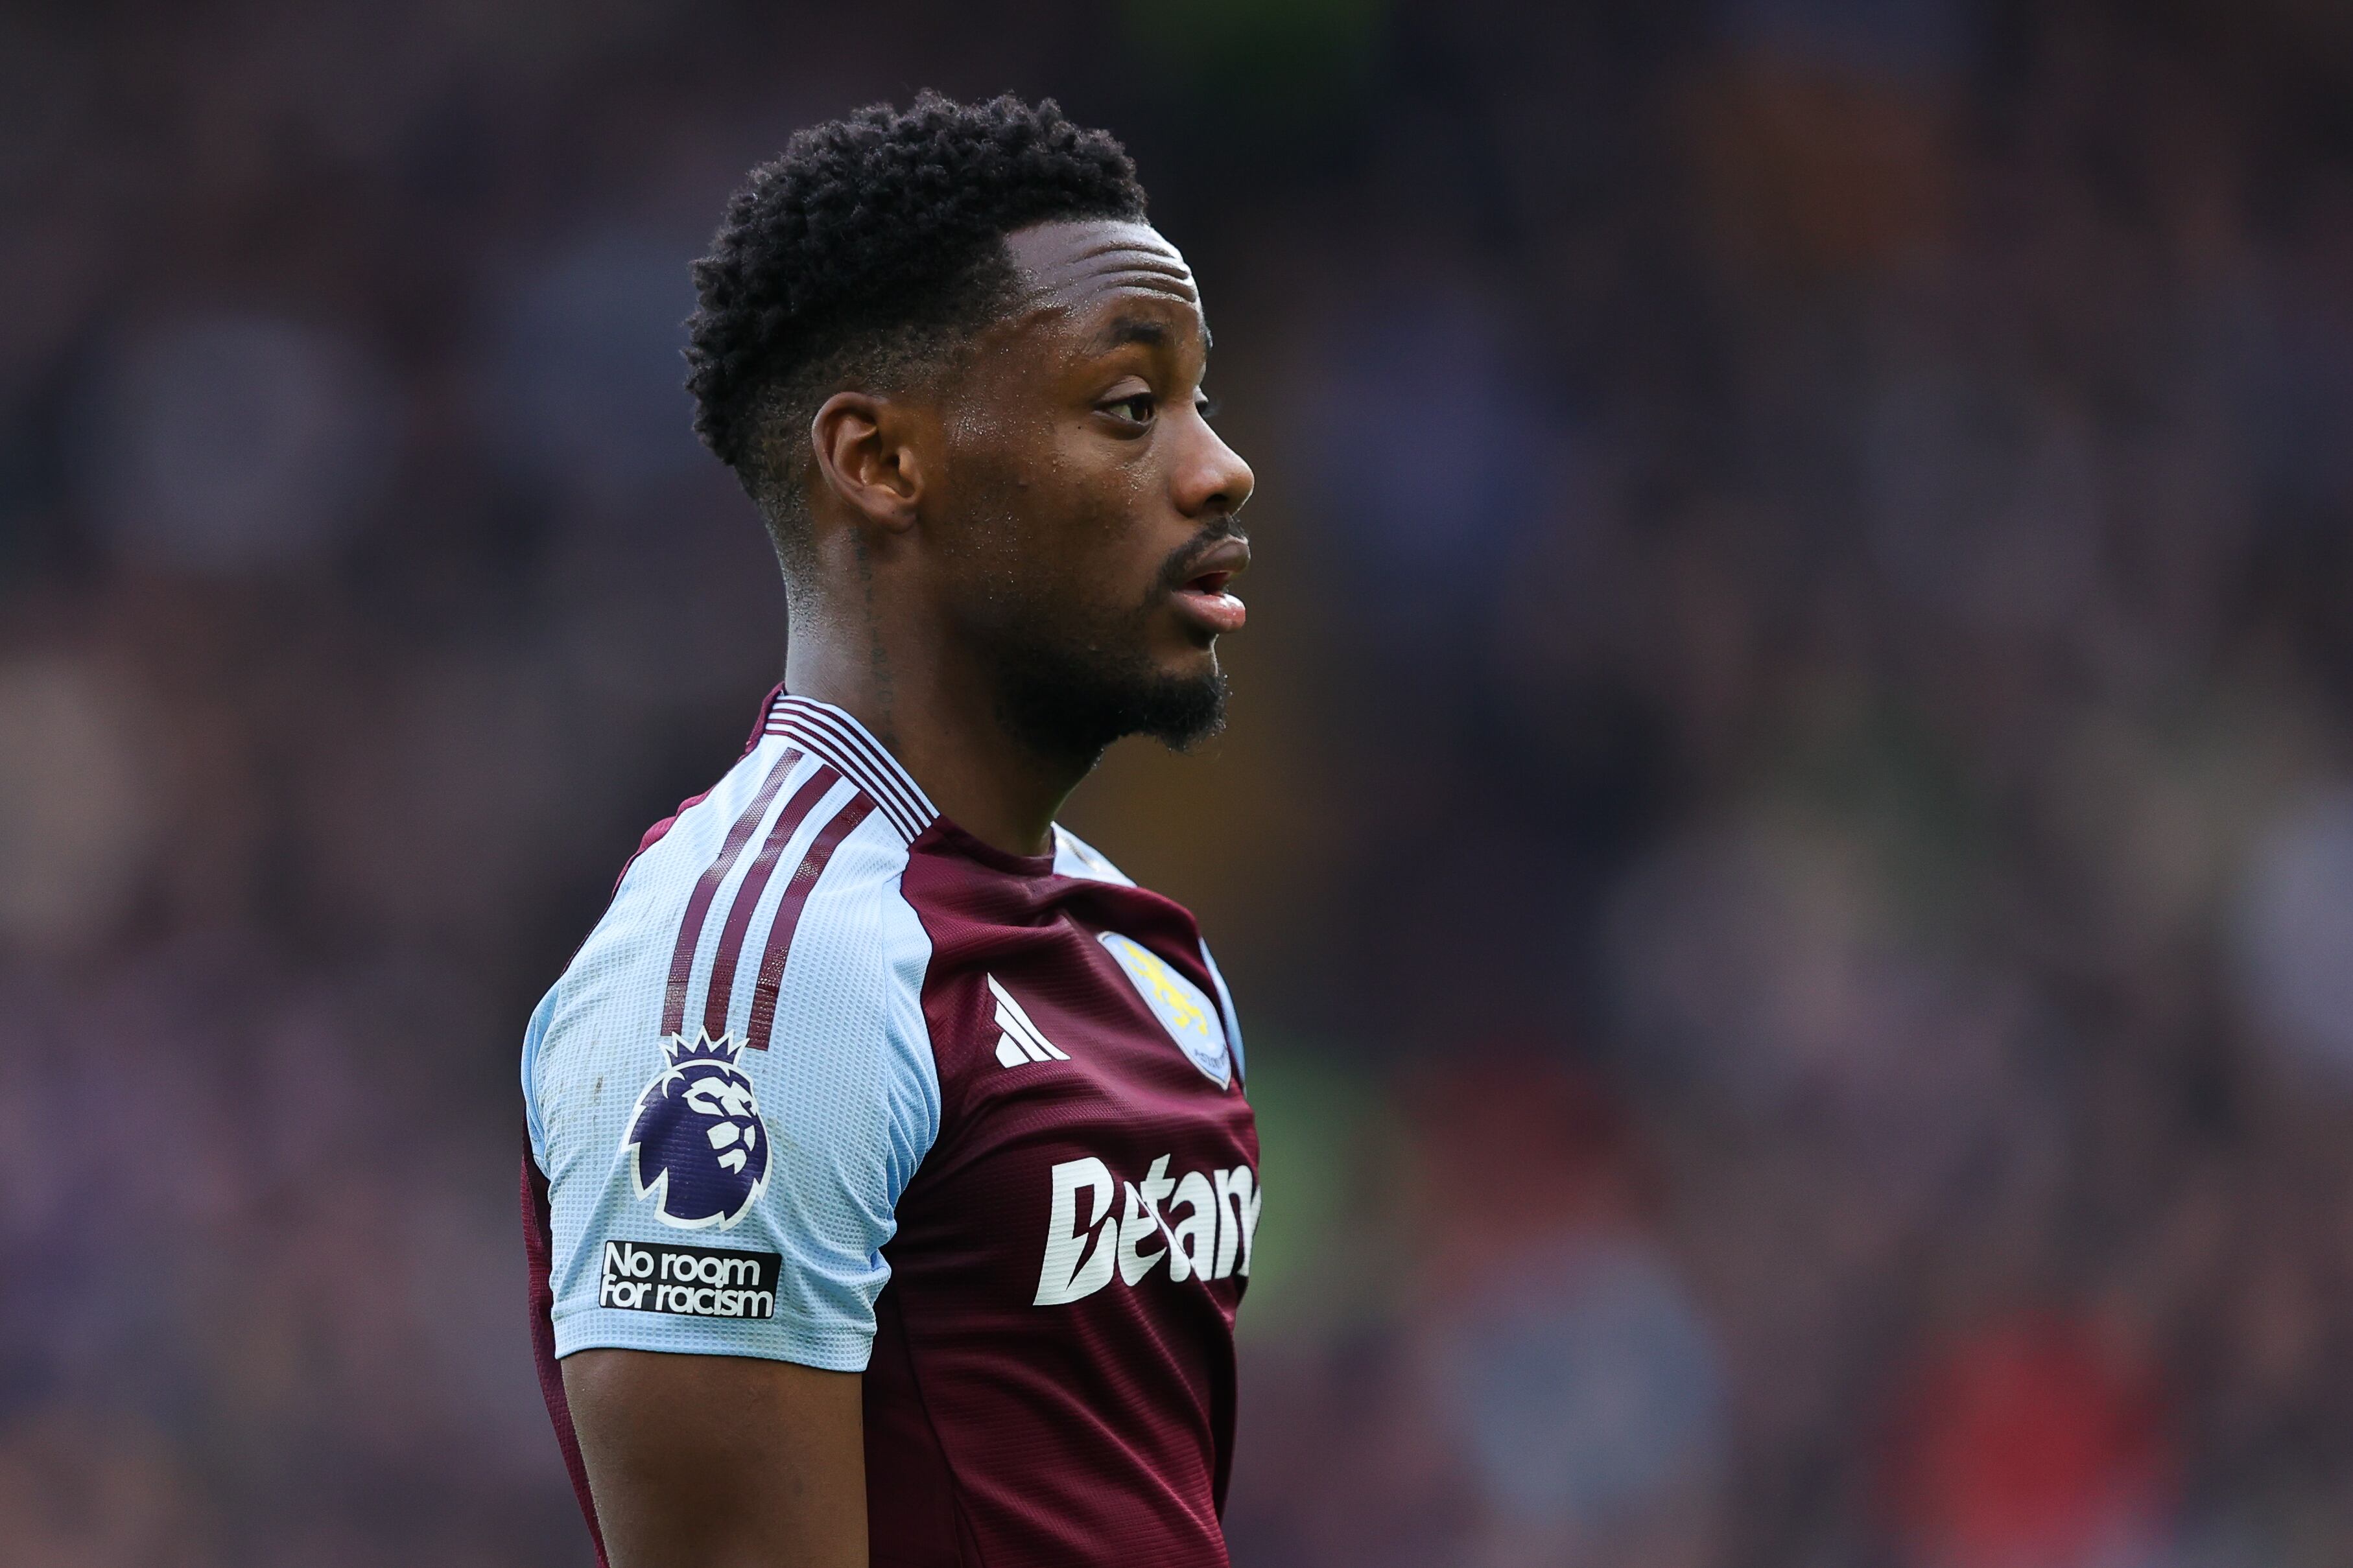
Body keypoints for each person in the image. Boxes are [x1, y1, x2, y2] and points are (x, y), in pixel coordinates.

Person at [519, 93, 1262, 1568]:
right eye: (1131, 408)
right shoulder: (758, 976)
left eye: (1201, 401)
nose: (1218, 466)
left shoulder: (1143, 957)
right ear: (879, 460)